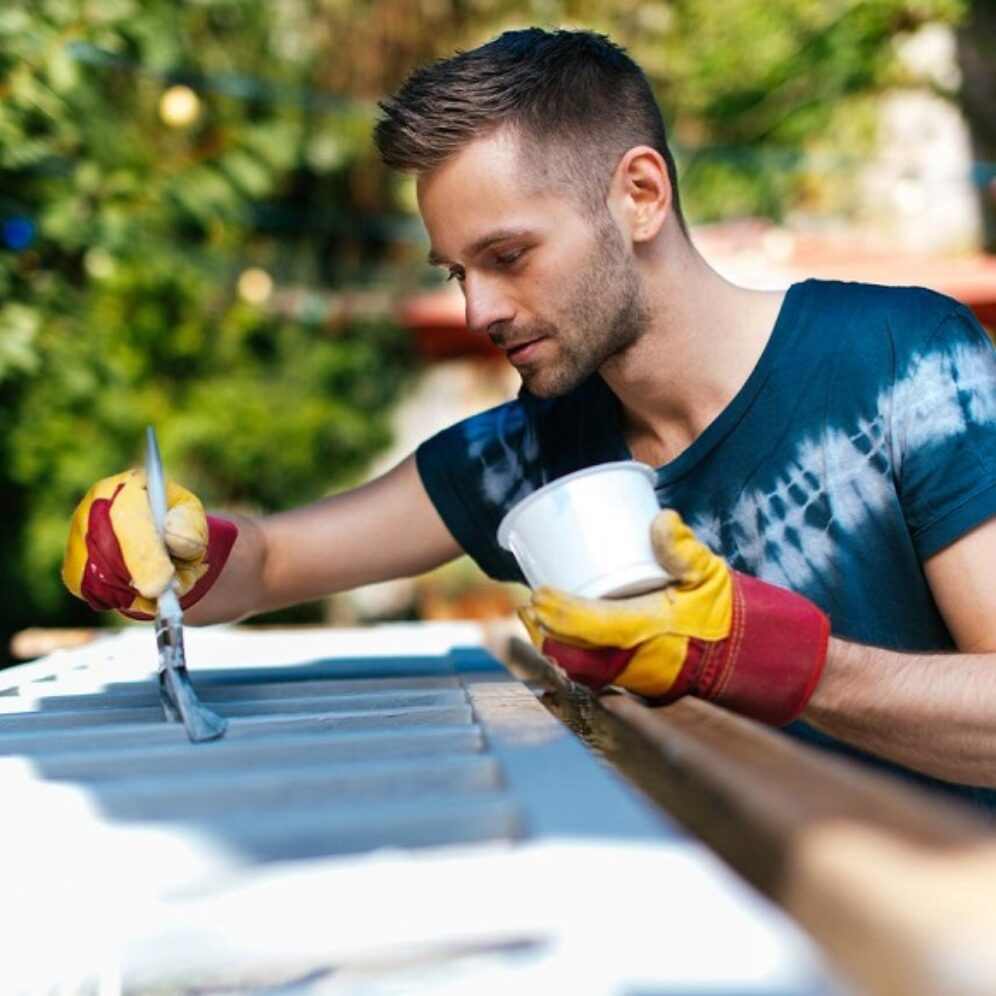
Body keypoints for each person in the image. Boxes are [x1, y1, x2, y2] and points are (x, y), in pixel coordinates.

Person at [63, 29, 996, 808]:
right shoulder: (539, 444)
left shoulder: (905, 360)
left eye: (509, 254)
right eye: (458, 272)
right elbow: (274, 561)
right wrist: (171, 552)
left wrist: (771, 658)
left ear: (640, 194)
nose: (479, 311)